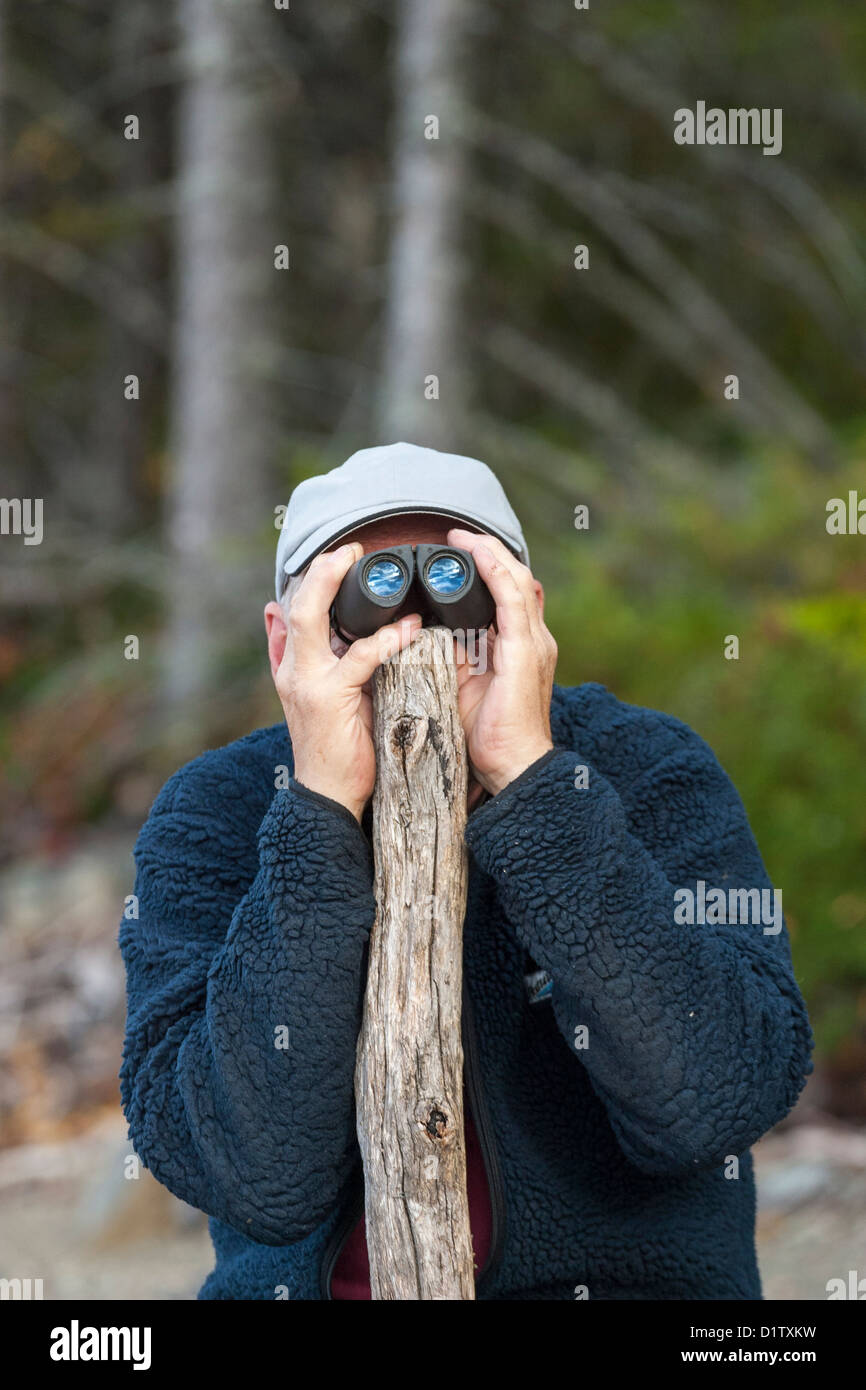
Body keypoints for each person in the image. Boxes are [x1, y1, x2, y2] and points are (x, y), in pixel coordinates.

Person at [118, 441, 814, 1300]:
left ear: (528, 612)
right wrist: (321, 811)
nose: (415, 630)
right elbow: (249, 1173)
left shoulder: (646, 770)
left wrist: (529, 780)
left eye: (457, 583)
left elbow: (719, 1093)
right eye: (363, 596)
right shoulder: (216, 812)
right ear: (283, 641)